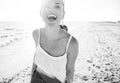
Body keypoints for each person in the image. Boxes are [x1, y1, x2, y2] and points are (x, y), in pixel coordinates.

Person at [31, 0, 79, 83]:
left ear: (63, 14)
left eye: (57, 6)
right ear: (40, 12)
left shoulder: (72, 43)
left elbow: (70, 71)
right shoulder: (36, 34)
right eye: (46, 6)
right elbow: (36, 58)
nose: (51, 10)